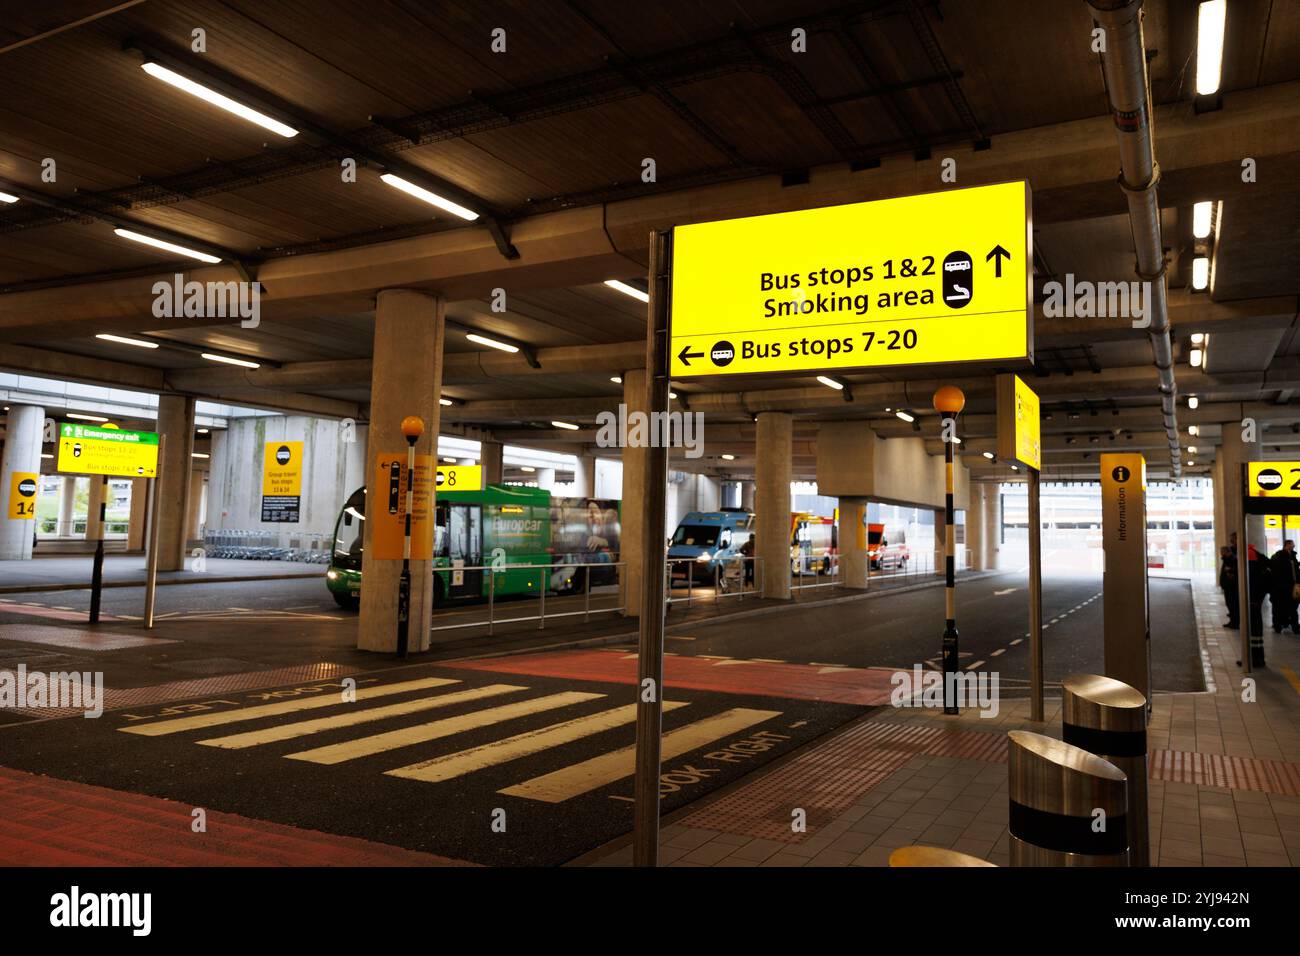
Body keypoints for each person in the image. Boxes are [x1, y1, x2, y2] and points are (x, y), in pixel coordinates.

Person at [1271, 539, 1300, 634]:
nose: (1293, 546)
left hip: (1290, 586)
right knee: (1281, 607)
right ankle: (1281, 625)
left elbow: (1295, 570)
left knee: (1291, 607)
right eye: (1292, 545)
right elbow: (1279, 571)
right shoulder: (1279, 556)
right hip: (1282, 587)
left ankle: (1292, 625)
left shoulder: (1292, 556)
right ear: (1287, 545)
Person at [1219, 543, 1239, 629]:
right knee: (1229, 604)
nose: (1220, 553)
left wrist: (1230, 570)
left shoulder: (1232, 559)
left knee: (1232, 604)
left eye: (1222, 551)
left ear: (1226, 551)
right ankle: (1232, 621)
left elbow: (1236, 570)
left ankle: (1235, 622)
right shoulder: (1226, 559)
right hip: (1228, 586)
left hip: (1232, 586)